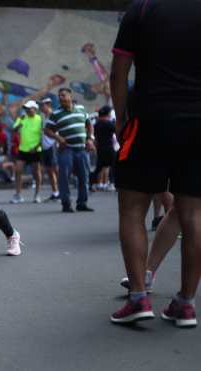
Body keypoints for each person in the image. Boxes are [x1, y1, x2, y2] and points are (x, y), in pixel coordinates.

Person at [110, 0, 201, 327]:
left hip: (149, 119)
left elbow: (119, 71)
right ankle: (185, 303)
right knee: (193, 213)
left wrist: (121, 123)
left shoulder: (143, 9)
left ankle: (138, 297)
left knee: (133, 207)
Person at [45, 88, 95, 213]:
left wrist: (90, 139)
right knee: (64, 176)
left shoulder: (81, 109)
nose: (61, 98)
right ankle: (66, 204)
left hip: (82, 149)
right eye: (59, 96)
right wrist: (58, 137)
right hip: (66, 149)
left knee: (84, 176)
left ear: (70, 96)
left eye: (63, 95)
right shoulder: (56, 113)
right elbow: (47, 130)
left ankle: (82, 203)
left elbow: (89, 125)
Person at [11, 100, 43, 204]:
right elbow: (14, 130)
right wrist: (18, 125)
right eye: (26, 108)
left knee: (36, 172)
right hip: (23, 149)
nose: (28, 110)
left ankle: (37, 195)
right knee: (18, 170)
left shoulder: (40, 119)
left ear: (35, 109)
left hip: (36, 150)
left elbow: (43, 135)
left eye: (30, 108)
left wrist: (37, 146)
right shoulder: (22, 118)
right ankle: (18, 195)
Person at [39, 98, 59, 201]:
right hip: (45, 147)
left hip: (52, 146)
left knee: (55, 170)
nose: (41, 107)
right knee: (50, 171)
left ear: (48, 104)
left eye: (43, 105)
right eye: (41, 105)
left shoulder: (54, 115)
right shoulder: (43, 116)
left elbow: (58, 131)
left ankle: (60, 192)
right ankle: (55, 192)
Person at [93, 106, 116, 191]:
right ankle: (113, 183)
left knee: (99, 167)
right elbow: (117, 131)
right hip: (109, 148)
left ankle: (92, 183)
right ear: (108, 113)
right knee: (114, 166)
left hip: (100, 148)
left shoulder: (96, 124)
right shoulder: (109, 124)